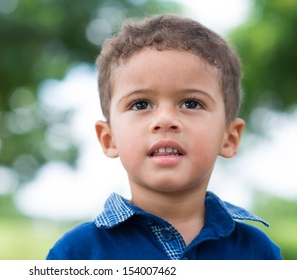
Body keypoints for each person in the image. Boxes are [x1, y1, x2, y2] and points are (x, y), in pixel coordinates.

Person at [46, 14, 282, 260]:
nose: (165, 120)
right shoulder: (77, 254)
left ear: (229, 138)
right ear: (109, 139)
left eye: (191, 103)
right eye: (140, 104)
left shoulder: (258, 252)